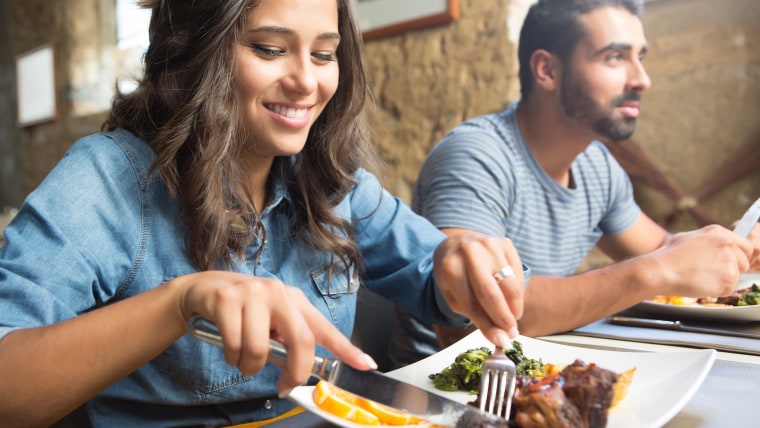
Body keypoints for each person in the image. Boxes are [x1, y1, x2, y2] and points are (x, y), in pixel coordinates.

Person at [0, 0, 527, 426]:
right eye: (271, 49)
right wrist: (179, 303)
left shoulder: (330, 180)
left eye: (324, 55)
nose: (306, 82)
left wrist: (462, 265)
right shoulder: (106, 177)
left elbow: (438, 280)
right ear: (195, 52)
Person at [388, 0, 759, 369]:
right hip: (437, 389)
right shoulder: (476, 155)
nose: (642, 79)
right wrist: (654, 271)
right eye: (614, 57)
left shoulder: (596, 164)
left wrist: (734, 244)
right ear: (547, 69)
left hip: (537, 374)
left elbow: (663, 248)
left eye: (640, 57)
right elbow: (478, 310)